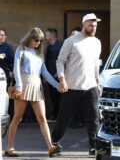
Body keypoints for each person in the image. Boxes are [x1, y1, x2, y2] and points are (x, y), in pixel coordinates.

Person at [4, 27, 62, 158]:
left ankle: (50, 147)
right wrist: (18, 85)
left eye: (41, 40)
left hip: (36, 86)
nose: (39, 43)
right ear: (29, 39)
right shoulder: (21, 50)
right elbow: (16, 69)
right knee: (17, 118)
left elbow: (45, 73)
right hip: (23, 84)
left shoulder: (39, 54)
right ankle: (9, 147)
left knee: (42, 118)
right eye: (36, 40)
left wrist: (57, 85)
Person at [52, 13, 101, 155]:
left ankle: (93, 147)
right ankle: (55, 143)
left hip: (91, 86)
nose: (93, 28)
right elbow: (60, 61)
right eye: (91, 25)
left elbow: (95, 64)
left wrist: (97, 80)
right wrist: (62, 79)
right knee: (64, 117)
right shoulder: (71, 41)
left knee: (94, 118)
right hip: (72, 86)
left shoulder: (97, 42)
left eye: (95, 25)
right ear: (84, 24)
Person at [45, 28, 62, 119]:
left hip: (59, 77)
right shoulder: (48, 47)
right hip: (50, 77)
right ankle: (55, 114)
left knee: (60, 97)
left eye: (47, 35)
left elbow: (63, 61)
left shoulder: (60, 46)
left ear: (52, 35)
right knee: (53, 97)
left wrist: (58, 73)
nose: (45, 37)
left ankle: (60, 115)